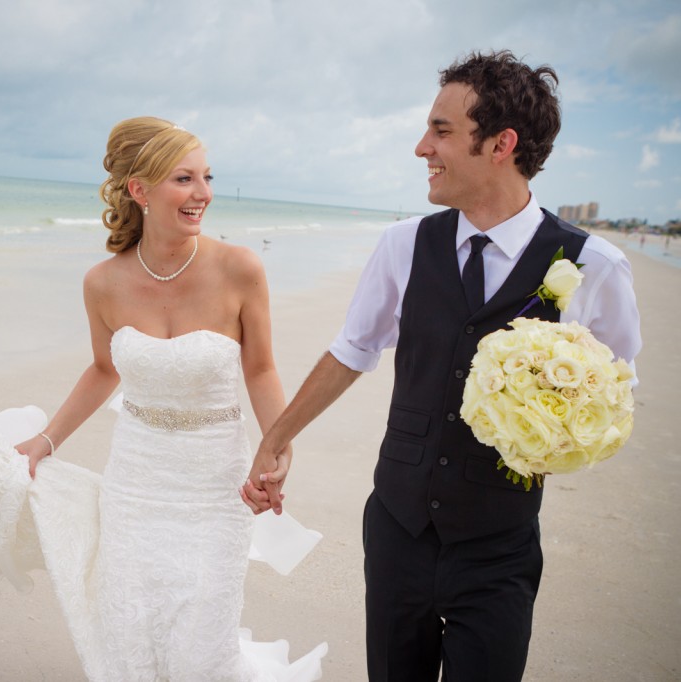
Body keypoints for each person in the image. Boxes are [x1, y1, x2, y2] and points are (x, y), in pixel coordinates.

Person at [241, 51, 642, 681]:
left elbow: (613, 399)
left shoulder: (595, 265)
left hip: (499, 546)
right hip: (397, 526)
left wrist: (556, 437)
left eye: (442, 130)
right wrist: (276, 436)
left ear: (501, 144)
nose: (421, 146)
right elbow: (353, 350)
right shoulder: (404, 244)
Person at [0, 116, 326, 681]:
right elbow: (104, 370)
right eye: (185, 179)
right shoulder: (102, 283)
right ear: (140, 190)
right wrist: (46, 440)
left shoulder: (239, 269)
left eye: (206, 177)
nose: (203, 193)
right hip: (135, 485)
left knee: (203, 644)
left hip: (214, 485)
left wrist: (278, 447)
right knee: (131, 635)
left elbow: (261, 367)